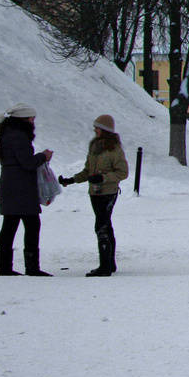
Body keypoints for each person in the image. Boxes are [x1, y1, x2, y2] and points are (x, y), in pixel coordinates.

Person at [59, 114, 130, 277]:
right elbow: (87, 171)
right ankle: (109, 264)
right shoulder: (94, 147)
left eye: (97, 127)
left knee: (101, 226)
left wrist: (104, 178)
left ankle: (105, 267)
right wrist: (72, 180)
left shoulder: (115, 149)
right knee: (105, 225)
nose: (95, 130)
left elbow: (123, 172)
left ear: (105, 130)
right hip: (95, 193)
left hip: (108, 192)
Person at [0, 104, 54, 276]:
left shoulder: (7, 133)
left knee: (10, 225)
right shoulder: (18, 136)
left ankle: (4, 267)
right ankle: (32, 267)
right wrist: (43, 156)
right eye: (31, 118)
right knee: (32, 225)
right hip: (21, 188)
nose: (33, 121)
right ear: (24, 120)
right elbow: (27, 162)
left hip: (10, 185)